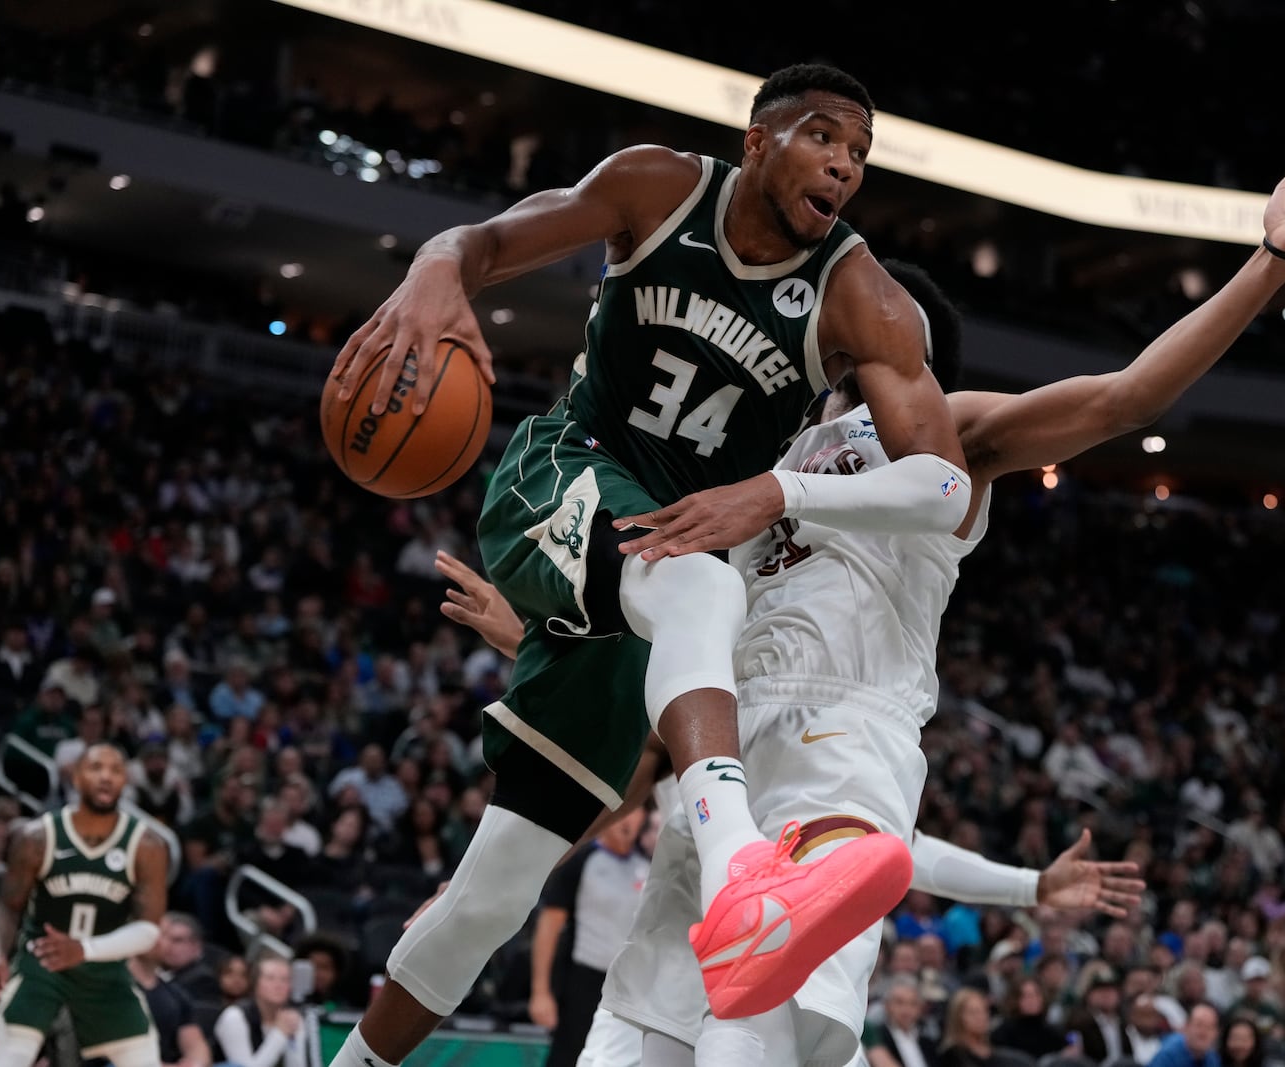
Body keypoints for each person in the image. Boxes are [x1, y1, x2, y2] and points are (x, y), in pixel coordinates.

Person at [329, 63, 979, 1063]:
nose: (843, 165)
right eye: (823, 137)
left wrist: (780, 491)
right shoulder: (659, 186)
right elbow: (488, 242)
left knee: (490, 892)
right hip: (566, 473)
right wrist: (431, 272)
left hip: (656, 584)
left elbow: (940, 487)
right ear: (759, 138)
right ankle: (738, 877)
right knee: (704, 581)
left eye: (859, 153)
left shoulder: (863, 297)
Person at [431, 256, 1148, 1065]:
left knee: (754, 1026)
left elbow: (1128, 396)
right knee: (628, 1044)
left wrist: (1272, 260)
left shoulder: (943, 430)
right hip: (732, 763)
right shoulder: (768, 453)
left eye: (876, 306)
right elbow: (660, 699)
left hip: (846, 726)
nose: (850, 308)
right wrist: (530, 634)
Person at [0, 743, 169, 1067]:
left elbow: (149, 930)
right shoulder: (36, 836)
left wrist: (84, 949)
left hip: (105, 970)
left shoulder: (147, 845)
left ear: (126, 781)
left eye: (116, 770)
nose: (106, 777)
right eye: (96, 768)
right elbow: (8, 906)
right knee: (8, 1059)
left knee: (145, 1057)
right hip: (42, 964)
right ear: (76, 778)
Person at [532, 808, 651, 1067]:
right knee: (568, 1058)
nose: (628, 820)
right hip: (582, 983)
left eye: (636, 813)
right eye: (625, 812)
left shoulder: (647, 866)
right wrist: (540, 991)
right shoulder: (581, 860)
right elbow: (549, 927)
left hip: (629, 987)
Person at [212, 953, 308, 1067]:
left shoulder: (292, 1018)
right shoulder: (234, 1017)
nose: (278, 985)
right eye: (270, 978)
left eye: (285, 979)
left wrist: (294, 1036)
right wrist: (279, 1034)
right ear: (255, 982)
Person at [127, 949, 212, 1067]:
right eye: (161, 933)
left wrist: (195, 1064)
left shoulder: (175, 993)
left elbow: (195, 1044)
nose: (166, 944)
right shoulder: (114, 987)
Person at [1148, 1003, 1221, 1067]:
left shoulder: (1212, 1058)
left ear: (1217, 1033)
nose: (1203, 1032)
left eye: (1209, 1027)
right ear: (1186, 1027)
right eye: (1199, 1025)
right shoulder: (1168, 1055)